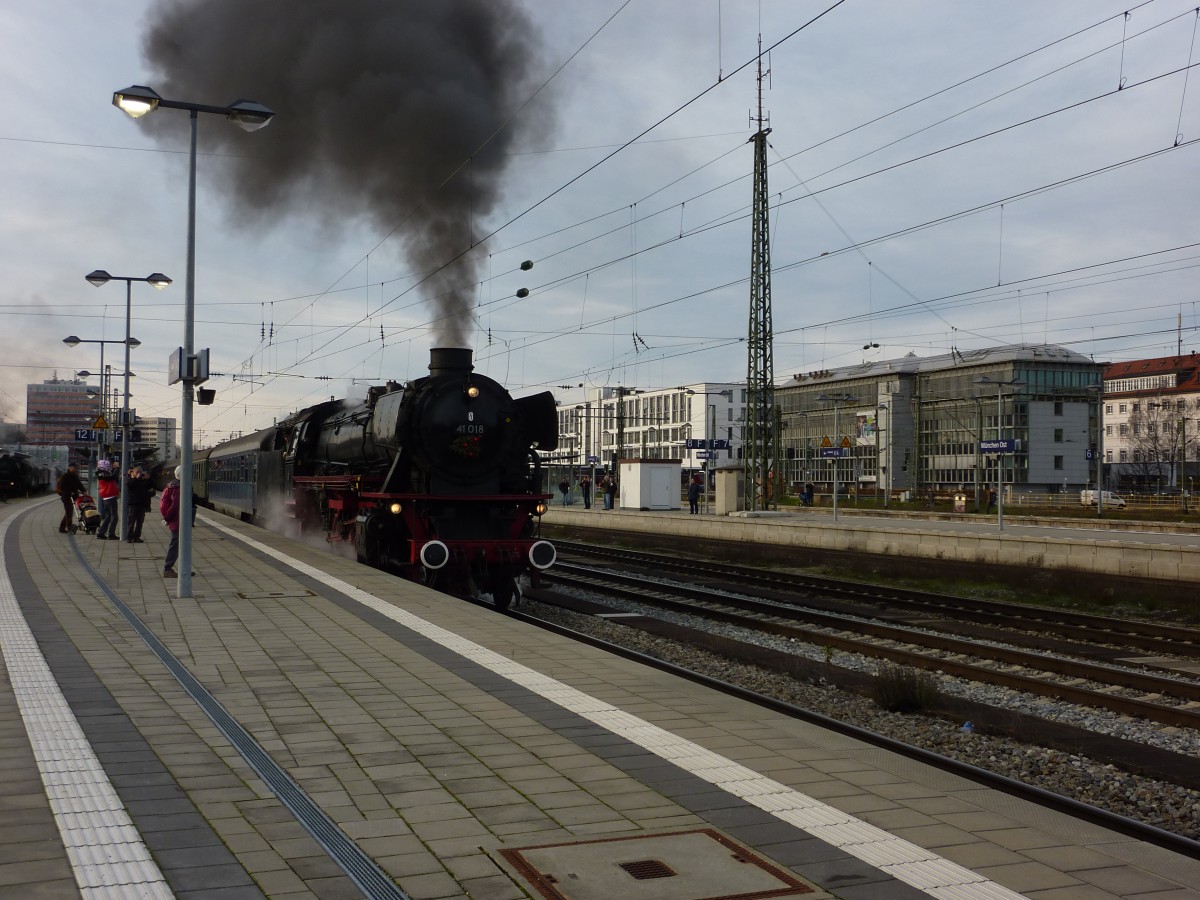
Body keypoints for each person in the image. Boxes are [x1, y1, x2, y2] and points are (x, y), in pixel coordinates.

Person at [160, 466, 182, 578]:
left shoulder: (173, 486)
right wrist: (167, 519)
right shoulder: (178, 489)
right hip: (178, 520)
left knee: (181, 544)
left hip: (176, 520)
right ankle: (167, 568)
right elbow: (175, 506)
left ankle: (184, 568)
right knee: (175, 544)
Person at [124, 467, 155, 543]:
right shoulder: (130, 480)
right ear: (133, 472)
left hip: (142, 504)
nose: (139, 474)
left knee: (140, 522)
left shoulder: (142, 481)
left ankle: (136, 537)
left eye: (140, 472)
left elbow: (150, 485)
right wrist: (136, 478)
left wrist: (148, 478)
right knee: (131, 522)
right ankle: (129, 537)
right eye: (137, 472)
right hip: (133, 505)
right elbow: (130, 485)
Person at [95, 459, 120, 540]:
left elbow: (113, 478)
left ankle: (101, 533)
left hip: (108, 496)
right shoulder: (101, 474)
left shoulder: (102, 473)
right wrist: (117, 468)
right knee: (114, 517)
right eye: (108, 465)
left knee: (108, 516)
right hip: (110, 496)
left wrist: (114, 469)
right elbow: (112, 477)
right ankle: (111, 534)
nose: (109, 467)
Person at [55, 464, 85, 533]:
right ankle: (69, 527)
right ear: (69, 468)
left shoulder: (75, 476)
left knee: (68, 512)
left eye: (75, 468)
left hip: (73, 496)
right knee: (69, 512)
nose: (75, 469)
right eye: (74, 468)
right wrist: (69, 492)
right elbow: (62, 486)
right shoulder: (65, 476)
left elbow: (79, 484)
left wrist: (84, 490)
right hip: (66, 497)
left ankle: (62, 528)